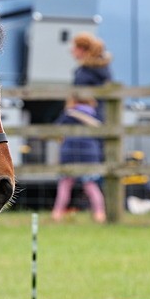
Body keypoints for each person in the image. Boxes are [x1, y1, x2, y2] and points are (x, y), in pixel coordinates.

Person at [51, 95, 107, 223]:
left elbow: (56, 131)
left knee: (65, 184)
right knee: (91, 185)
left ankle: (57, 213)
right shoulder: (95, 114)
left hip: (69, 152)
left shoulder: (68, 114)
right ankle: (100, 214)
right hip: (89, 153)